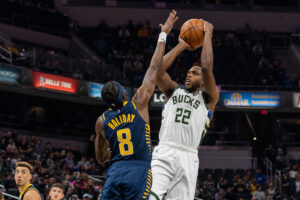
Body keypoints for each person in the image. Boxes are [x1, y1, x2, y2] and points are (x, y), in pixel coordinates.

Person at [94, 10, 178, 200]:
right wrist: (163, 34)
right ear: (124, 93)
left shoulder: (101, 121)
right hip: (139, 170)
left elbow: (100, 159)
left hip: (116, 170)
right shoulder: (137, 103)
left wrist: (114, 152)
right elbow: (154, 67)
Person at [150, 20, 219, 200]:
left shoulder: (208, 98)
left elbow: (205, 67)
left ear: (203, 81)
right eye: (188, 72)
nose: (189, 74)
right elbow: (157, 70)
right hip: (165, 150)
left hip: (188, 157)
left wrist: (208, 34)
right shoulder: (173, 90)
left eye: (194, 73)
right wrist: (182, 45)